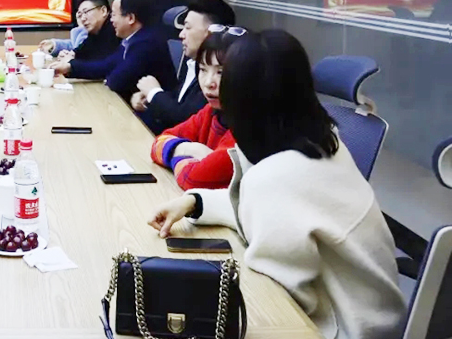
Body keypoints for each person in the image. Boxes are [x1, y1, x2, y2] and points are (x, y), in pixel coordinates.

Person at [148, 30, 404, 339]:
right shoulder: (323, 142)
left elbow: (277, 299)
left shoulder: (276, 177)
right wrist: (195, 202)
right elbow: (256, 208)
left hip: (341, 328)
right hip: (370, 313)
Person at [150, 26, 243, 190]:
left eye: (221, 72)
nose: (208, 83)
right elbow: (158, 143)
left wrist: (175, 155)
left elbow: (193, 179)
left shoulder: (247, 128)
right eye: (203, 70)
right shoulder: (211, 112)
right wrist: (190, 149)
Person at [132, 0, 237, 133]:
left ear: (211, 33)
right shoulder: (192, 63)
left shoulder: (226, 74)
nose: (181, 35)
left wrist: (154, 93)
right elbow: (179, 101)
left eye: (187, 27)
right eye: (203, 70)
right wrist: (148, 98)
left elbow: (184, 118)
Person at [53, 0, 176, 102]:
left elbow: (116, 81)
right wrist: (69, 67)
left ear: (130, 18)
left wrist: (108, 74)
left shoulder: (146, 43)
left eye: (114, 15)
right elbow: (106, 65)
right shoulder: (131, 40)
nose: (111, 20)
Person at [39, 0, 120, 64]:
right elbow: (81, 51)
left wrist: (71, 62)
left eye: (86, 12)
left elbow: (99, 63)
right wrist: (68, 54)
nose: (83, 19)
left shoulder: (114, 31)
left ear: (103, 11)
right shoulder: (94, 33)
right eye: (80, 15)